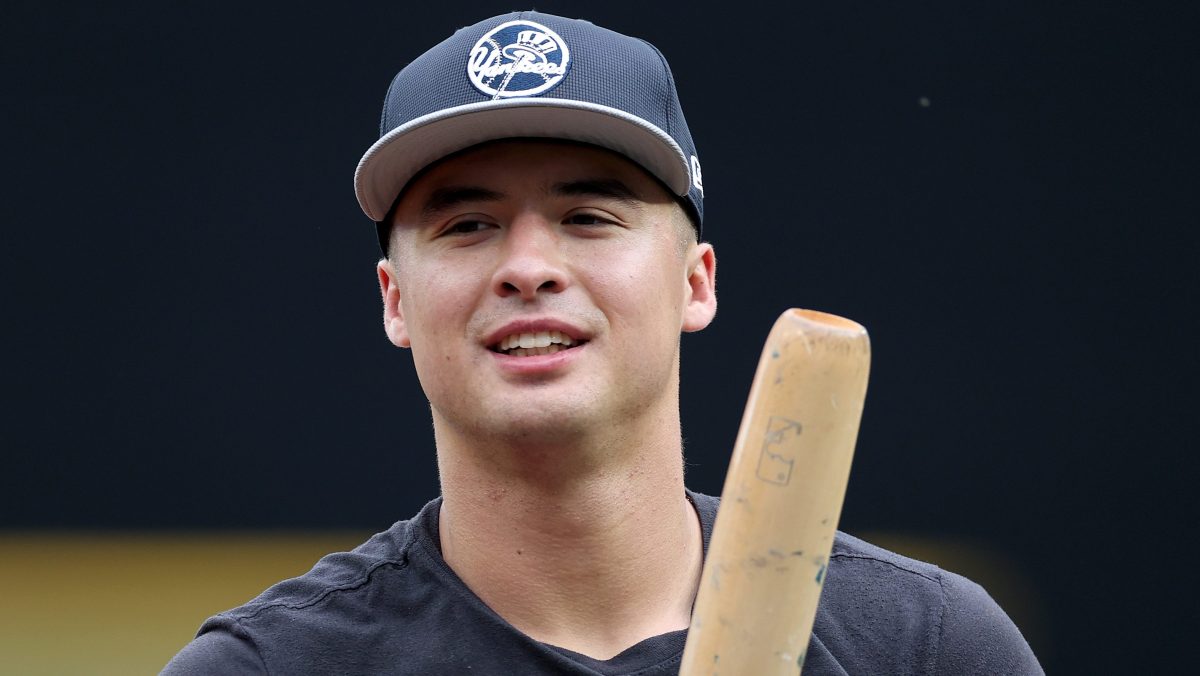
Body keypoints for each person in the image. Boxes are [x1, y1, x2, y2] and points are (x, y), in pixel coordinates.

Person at [163, 11, 1042, 675]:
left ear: (695, 283)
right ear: (395, 301)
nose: (528, 268)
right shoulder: (269, 668)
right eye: (468, 224)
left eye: (588, 216)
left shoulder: (927, 647)